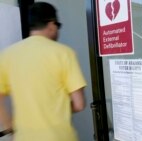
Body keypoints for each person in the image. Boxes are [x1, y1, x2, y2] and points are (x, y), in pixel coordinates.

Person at [0, 2, 87, 141]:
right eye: (58, 26)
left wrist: (9, 127)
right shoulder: (64, 53)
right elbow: (79, 104)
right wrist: (57, 108)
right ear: (52, 24)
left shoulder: (7, 55)